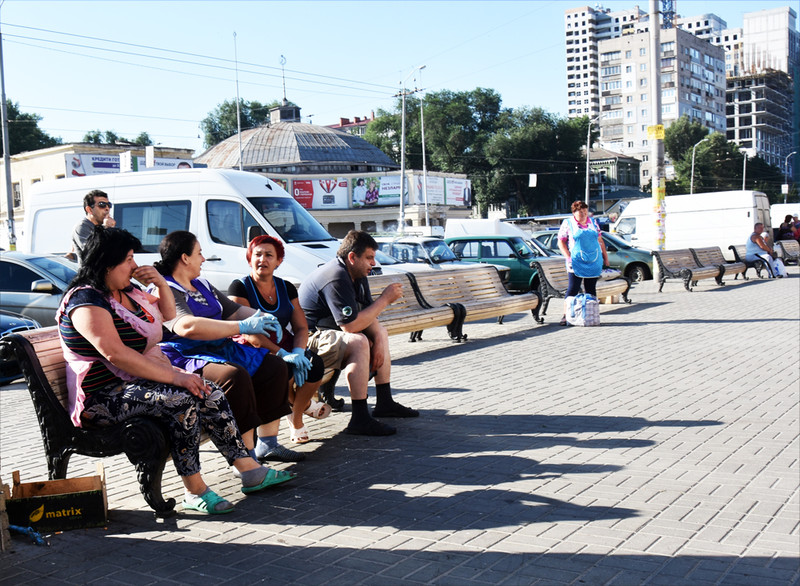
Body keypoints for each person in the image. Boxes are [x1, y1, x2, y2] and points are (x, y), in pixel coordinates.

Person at [58, 226, 293, 516]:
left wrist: (160, 282)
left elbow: (168, 316)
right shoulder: (86, 301)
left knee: (208, 390)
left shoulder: (124, 291)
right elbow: (116, 354)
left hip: (137, 383)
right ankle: (194, 490)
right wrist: (177, 376)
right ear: (107, 263)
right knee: (180, 400)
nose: (134, 265)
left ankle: (249, 468)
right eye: (129, 259)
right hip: (101, 398)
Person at [153, 230, 305, 463]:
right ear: (185, 258)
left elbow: (233, 311)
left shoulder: (202, 284)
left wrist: (261, 316)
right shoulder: (166, 289)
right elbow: (187, 327)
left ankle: (269, 444)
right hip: (187, 355)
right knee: (234, 376)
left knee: (274, 367)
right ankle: (244, 457)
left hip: (218, 348)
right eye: (199, 253)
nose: (203, 258)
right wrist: (242, 326)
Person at [298, 230, 419, 437]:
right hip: (306, 340)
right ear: (352, 257)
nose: (373, 263)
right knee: (359, 341)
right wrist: (384, 299)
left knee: (379, 333)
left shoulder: (356, 274)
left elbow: (367, 314)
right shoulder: (336, 276)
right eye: (369, 257)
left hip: (329, 333)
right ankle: (359, 419)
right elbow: (350, 326)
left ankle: (384, 402)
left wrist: (379, 339)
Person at [228, 235, 329, 444]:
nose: (262, 259)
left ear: (278, 261)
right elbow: (250, 334)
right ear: (249, 259)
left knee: (314, 364)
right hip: (252, 349)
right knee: (281, 369)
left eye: (268, 255)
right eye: (257, 254)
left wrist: (299, 351)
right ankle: (299, 408)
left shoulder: (286, 287)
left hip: (284, 342)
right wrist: (281, 353)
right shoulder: (239, 287)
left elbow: (301, 327)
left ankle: (296, 416)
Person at [557, 200, 609, 326]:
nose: (583, 215)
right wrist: (568, 257)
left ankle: (591, 314)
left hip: (593, 260)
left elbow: (600, 240)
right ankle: (566, 315)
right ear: (574, 213)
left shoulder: (593, 223)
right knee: (573, 288)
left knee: (591, 289)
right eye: (580, 212)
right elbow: (561, 242)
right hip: (576, 261)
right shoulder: (568, 223)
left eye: (585, 212)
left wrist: (605, 258)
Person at [71, 190, 116, 263]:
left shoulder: (103, 227)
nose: (107, 208)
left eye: (109, 205)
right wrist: (106, 229)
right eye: (102, 204)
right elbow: (95, 253)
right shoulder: (82, 227)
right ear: (89, 210)